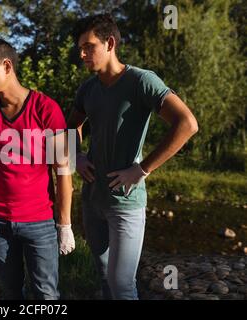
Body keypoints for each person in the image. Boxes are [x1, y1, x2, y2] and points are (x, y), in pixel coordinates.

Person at [67, 14, 199, 300]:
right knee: (103, 276)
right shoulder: (87, 89)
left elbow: (187, 124)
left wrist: (142, 169)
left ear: (110, 43)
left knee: (122, 285)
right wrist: (75, 156)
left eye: (88, 46)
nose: (82, 54)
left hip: (125, 201)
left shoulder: (141, 81)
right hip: (92, 198)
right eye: (80, 48)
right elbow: (70, 125)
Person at [0, 38, 75, 300]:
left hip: (40, 222)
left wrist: (64, 224)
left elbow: (64, 171)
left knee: (46, 294)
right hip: (0, 223)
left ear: (7, 66)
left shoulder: (48, 109)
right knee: (9, 293)